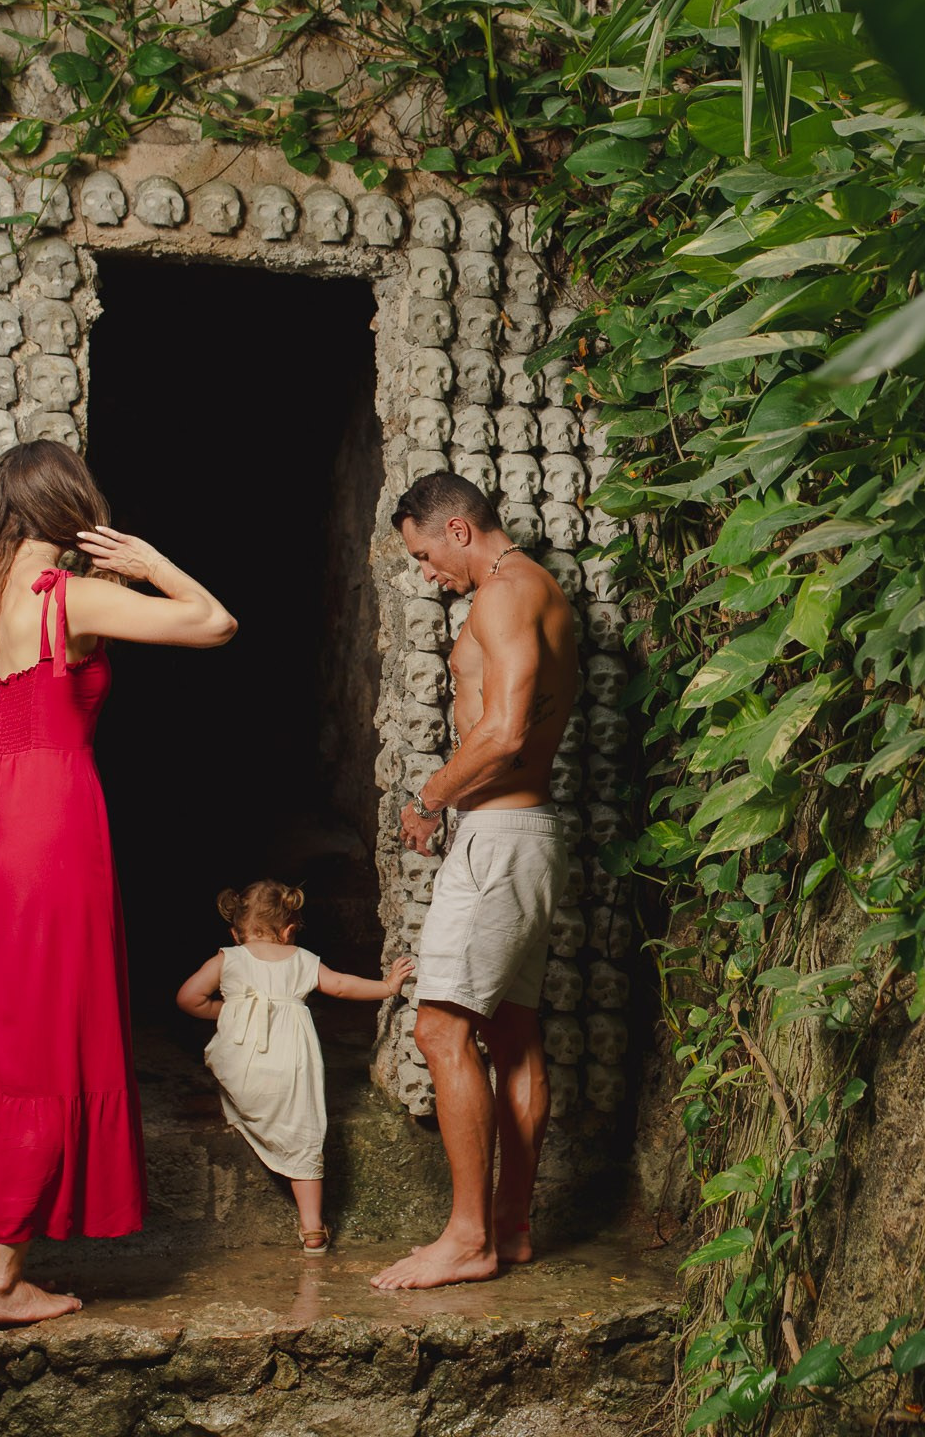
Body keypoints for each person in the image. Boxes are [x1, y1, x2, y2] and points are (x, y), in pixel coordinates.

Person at [0, 440, 238, 1325]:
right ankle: (3, 1282)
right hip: (54, 828)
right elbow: (214, 623)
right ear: (72, 507)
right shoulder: (73, 597)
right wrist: (150, 563)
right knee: (48, 1038)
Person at [372, 472, 577, 1291]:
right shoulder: (538, 590)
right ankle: (512, 1227)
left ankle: (467, 1239)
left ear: (458, 530)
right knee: (514, 1032)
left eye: (426, 556)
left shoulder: (504, 594)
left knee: (439, 1029)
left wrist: (429, 800)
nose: (427, 574)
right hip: (524, 834)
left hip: (499, 839)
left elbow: (502, 731)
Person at [175, 879, 415, 1253]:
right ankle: (312, 1229)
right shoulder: (303, 959)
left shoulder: (227, 958)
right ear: (288, 931)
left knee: (237, 1077)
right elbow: (341, 985)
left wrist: (230, 1011)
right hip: (290, 1072)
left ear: (236, 933)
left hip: (243, 1075)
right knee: (304, 1134)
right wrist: (387, 986)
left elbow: (188, 998)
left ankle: (245, 1112)